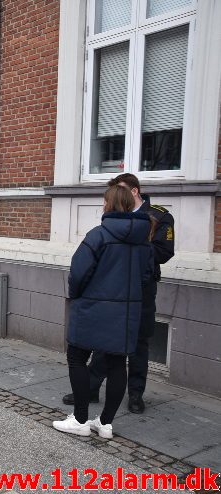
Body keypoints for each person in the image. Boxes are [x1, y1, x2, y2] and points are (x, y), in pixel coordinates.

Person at [62, 173, 175, 414]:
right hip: (111, 289)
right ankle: (91, 388)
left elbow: (164, 251)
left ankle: (135, 393)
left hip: (140, 291)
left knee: (138, 342)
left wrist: (131, 257)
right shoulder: (106, 228)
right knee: (106, 342)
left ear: (134, 191)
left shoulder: (158, 215)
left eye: (120, 191)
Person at [53, 185, 153, 439]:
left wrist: (77, 296)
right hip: (125, 312)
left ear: (108, 205)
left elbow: (78, 272)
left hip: (93, 308)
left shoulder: (99, 235)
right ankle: (105, 424)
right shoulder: (144, 240)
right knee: (117, 363)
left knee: (76, 358)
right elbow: (147, 276)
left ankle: (80, 418)